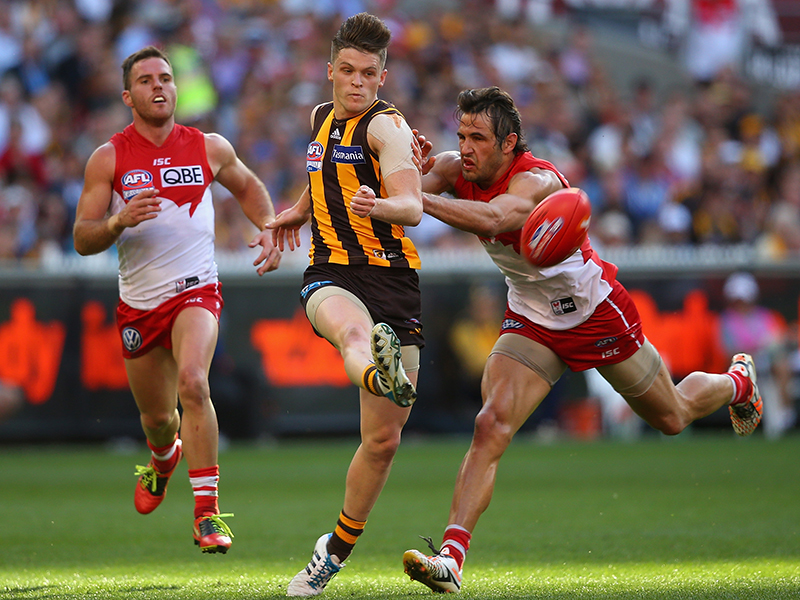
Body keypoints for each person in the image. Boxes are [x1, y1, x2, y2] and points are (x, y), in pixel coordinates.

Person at [401, 86, 763, 593]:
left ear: (509, 145)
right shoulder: (452, 168)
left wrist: (417, 197)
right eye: (461, 135)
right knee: (491, 424)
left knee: (673, 416)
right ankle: (452, 559)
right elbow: (405, 189)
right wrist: (403, 164)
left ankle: (738, 381)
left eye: (477, 137)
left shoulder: (537, 181)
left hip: (594, 312)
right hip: (531, 316)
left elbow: (495, 218)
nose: (465, 147)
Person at [73, 46, 281, 555]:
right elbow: (82, 237)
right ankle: (163, 458)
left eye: (165, 78)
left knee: (194, 381)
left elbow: (248, 185)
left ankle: (207, 513)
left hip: (197, 290)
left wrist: (271, 228)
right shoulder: (109, 157)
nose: (159, 86)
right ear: (128, 96)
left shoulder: (207, 146)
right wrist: (119, 221)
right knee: (158, 419)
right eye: (145, 80)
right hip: (139, 305)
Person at [266, 13, 423, 597]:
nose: (357, 82)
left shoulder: (389, 131)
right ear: (330, 70)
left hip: (395, 282)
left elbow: (410, 206)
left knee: (382, 443)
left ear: (383, 78)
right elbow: (321, 178)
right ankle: (380, 373)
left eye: (369, 74)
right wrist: (298, 211)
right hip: (331, 272)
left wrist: (375, 206)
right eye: (348, 71)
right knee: (353, 335)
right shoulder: (320, 119)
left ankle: (333, 550)